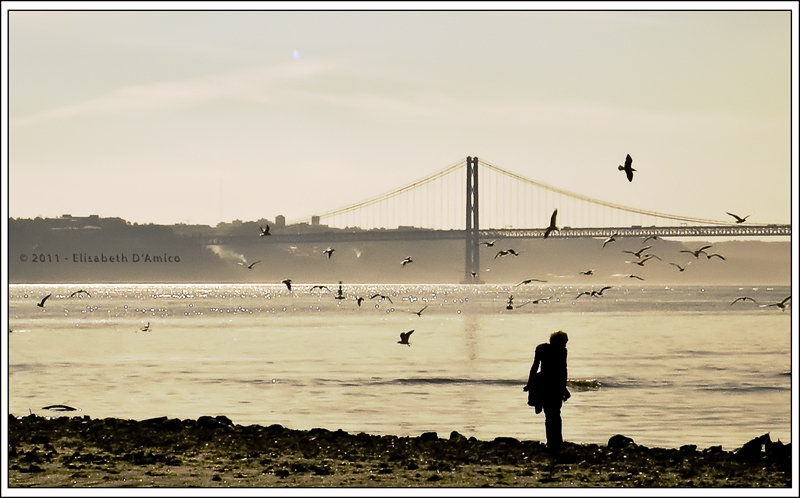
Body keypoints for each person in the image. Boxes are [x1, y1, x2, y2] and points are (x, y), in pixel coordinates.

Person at [523, 330, 570, 452]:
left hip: (544, 383)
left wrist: (530, 383)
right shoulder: (561, 351)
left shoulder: (542, 349)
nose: (565, 345)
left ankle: (553, 442)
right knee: (554, 415)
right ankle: (556, 443)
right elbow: (563, 371)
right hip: (553, 385)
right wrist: (563, 388)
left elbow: (534, 367)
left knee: (550, 415)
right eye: (564, 342)